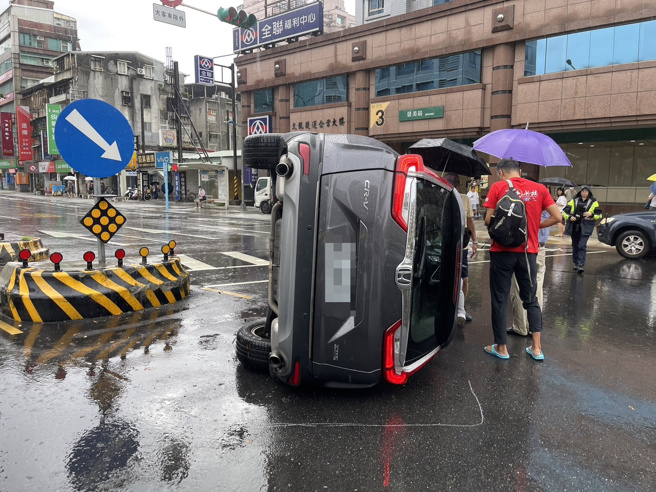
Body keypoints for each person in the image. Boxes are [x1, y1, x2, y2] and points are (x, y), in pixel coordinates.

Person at [483, 158, 561, 361]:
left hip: (501, 251)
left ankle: (501, 348)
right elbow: (557, 217)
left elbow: (488, 220)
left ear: (501, 172)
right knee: (530, 298)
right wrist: (535, 226)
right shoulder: (539, 189)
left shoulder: (498, 187)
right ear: (520, 171)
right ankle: (536, 348)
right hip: (528, 252)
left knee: (500, 299)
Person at [508, 210, 551, 336]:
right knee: (537, 287)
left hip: (524, 247)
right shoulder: (545, 200)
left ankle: (520, 326)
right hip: (540, 246)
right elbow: (557, 217)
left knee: (518, 286)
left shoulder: (524, 197)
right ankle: (534, 327)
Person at [444, 173, 477, 327]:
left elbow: (470, 222)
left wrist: (475, 241)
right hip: (444, 245)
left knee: (464, 279)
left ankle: (462, 308)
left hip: (461, 246)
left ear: (458, 185)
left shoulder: (465, 199)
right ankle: (452, 306)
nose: (452, 186)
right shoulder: (441, 195)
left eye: (453, 183)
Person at [562, 185, 602, 274]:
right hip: (574, 226)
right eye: (583, 191)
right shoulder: (574, 201)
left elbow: (599, 215)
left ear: (589, 193)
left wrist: (591, 215)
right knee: (575, 245)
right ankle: (576, 263)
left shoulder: (593, 202)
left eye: (586, 191)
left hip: (586, 227)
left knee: (582, 245)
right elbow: (564, 212)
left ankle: (581, 264)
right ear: (580, 192)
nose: (584, 193)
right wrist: (570, 217)